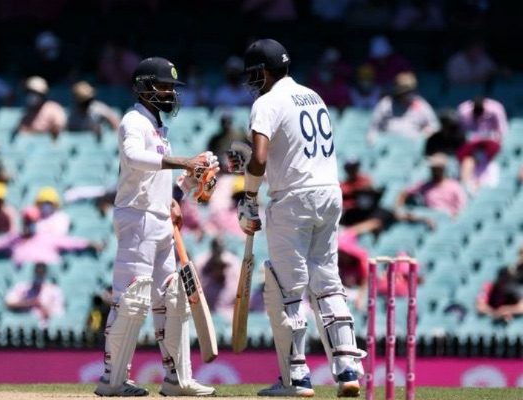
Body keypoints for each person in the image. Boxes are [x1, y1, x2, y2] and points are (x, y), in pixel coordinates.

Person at [227, 38, 365, 398]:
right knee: (327, 281)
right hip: (329, 193)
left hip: (293, 199)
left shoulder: (266, 102)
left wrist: (248, 195)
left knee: (286, 289)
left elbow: (258, 157)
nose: (251, 81)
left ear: (263, 71)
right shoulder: (312, 95)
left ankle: (296, 378)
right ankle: (348, 367)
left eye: (254, 74)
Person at [94, 56, 218, 397]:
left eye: (171, 88)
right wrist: (182, 161)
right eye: (163, 86)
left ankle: (177, 379)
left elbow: (155, 181)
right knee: (131, 299)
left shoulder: (157, 129)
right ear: (143, 87)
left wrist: (184, 187)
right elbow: (133, 159)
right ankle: (113, 381)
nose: (169, 93)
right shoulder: (132, 121)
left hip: (160, 219)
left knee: (172, 299)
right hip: (136, 218)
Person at [0, 207, 100, 267]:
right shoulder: (14, 239)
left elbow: (71, 242)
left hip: (45, 278)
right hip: (23, 282)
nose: (29, 224)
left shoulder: (48, 236)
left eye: (32, 221)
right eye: (27, 221)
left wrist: (90, 244)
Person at [367, 72, 440, 143]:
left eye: (410, 91)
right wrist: (372, 139)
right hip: (389, 144)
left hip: (412, 145)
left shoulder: (421, 105)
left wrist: (427, 132)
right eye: (404, 93)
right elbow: (373, 126)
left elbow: (435, 126)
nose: (407, 95)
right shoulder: (386, 104)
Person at [395, 153, 466, 218]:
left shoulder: (454, 186)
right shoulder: (425, 185)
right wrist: (398, 209)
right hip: (429, 216)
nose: (435, 171)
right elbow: (404, 192)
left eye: (438, 169)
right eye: (433, 169)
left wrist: (454, 217)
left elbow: (462, 207)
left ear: (443, 169)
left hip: (446, 218)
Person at [193, 237, 241, 321]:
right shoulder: (201, 264)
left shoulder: (234, 264)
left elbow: (239, 297)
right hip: (207, 315)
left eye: (222, 266)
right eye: (215, 266)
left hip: (229, 317)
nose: (219, 269)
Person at [5, 262, 64, 328]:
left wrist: (41, 305)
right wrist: (29, 302)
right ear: (33, 270)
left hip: (46, 327)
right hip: (24, 324)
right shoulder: (22, 287)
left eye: (42, 270)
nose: (39, 272)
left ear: (46, 272)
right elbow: (9, 303)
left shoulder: (54, 290)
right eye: (37, 269)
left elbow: (57, 313)